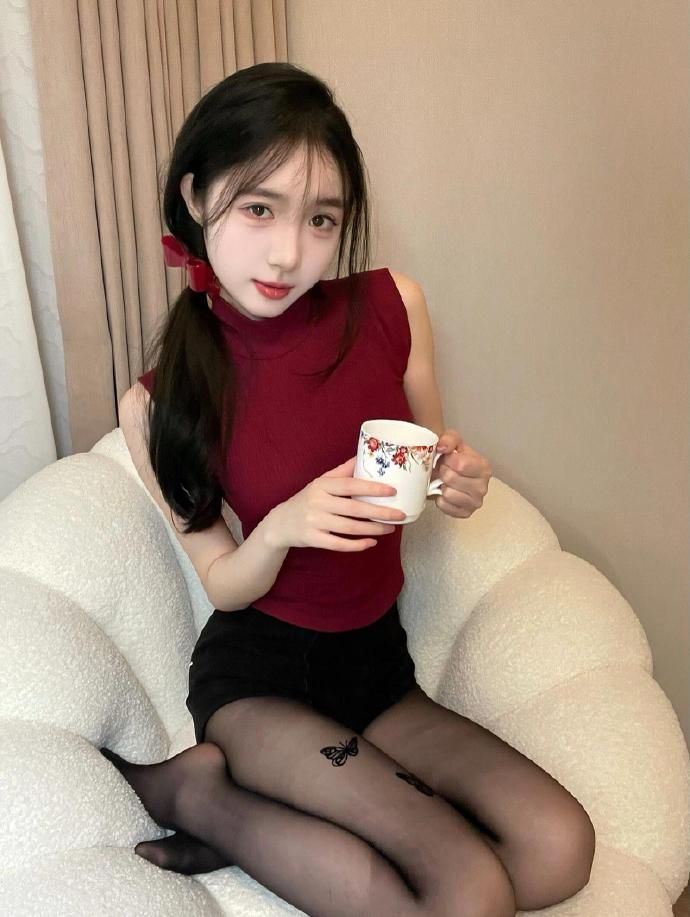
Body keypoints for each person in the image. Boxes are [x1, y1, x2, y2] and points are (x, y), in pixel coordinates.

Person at [104, 62, 594, 917]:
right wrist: (282, 526)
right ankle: (199, 793)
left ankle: (241, 815)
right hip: (260, 683)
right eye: (258, 208)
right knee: (470, 890)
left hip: (376, 670)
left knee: (560, 849)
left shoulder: (393, 306)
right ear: (195, 194)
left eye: (321, 219)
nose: (288, 252)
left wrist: (460, 479)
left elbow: (431, 460)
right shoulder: (157, 401)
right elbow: (224, 581)